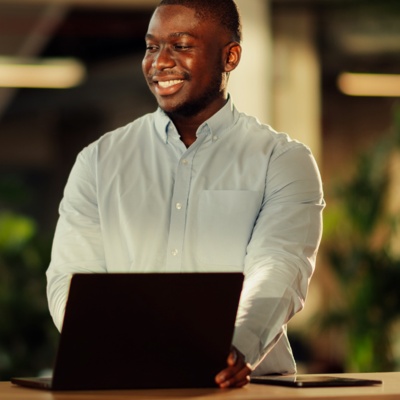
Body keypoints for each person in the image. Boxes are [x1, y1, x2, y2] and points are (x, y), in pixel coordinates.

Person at [46, 0, 325, 389]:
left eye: (180, 45)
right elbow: (70, 277)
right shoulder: (98, 161)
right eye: (151, 46)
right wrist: (109, 346)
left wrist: (235, 349)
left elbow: (280, 267)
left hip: (247, 390)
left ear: (230, 56)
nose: (159, 62)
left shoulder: (282, 160)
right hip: (127, 387)